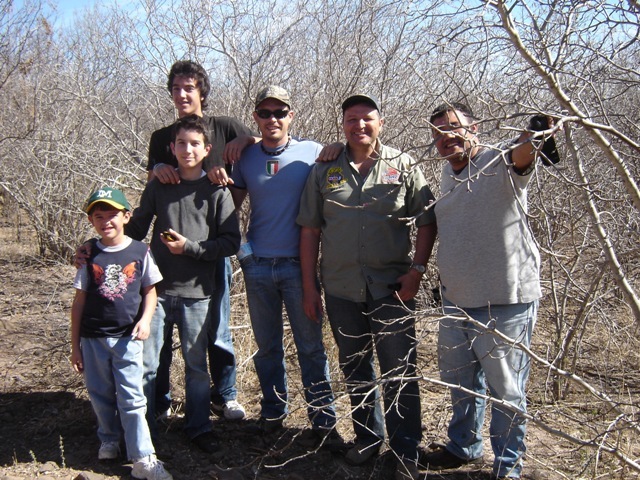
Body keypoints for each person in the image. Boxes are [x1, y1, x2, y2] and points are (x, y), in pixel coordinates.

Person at [297, 94, 437, 480]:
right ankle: (368, 439)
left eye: (367, 119)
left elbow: (427, 220)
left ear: (381, 122)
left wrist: (417, 271)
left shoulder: (403, 165)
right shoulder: (325, 169)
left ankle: (406, 447)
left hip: (393, 288)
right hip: (341, 288)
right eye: (351, 119)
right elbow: (310, 229)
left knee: (399, 369)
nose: (359, 125)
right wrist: (310, 288)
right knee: (355, 366)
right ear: (342, 124)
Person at [422, 102, 549, 479]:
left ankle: (507, 468)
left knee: (507, 392)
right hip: (456, 301)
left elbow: (523, 154)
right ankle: (463, 446)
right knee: (461, 384)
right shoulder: (447, 174)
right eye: (438, 132)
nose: (446, 137)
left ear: (474, 127)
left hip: (505, 301)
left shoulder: (499, 161)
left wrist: (536, 132)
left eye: (453, 127)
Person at [214, 85, 339, 445]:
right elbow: (229, 209)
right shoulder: (246, 158)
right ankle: (273, 413)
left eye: (280, 113)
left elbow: (342, 167)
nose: (273, 119)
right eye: (265, 113)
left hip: (298, 267)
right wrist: (240, 250)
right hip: (258, 267)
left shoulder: (312, 152)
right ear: (255, 116)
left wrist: (339, 148)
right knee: (267, 347)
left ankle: (323, 420)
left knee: (311, 347)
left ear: (291, 116)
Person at [126, 115, 241, 452]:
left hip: (198, 295)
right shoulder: (160, 186)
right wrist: (99, 242)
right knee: (148, 363)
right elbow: (135, 230)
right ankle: (143, 430)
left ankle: (199, 426)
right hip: (157, 294)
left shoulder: (218, 192)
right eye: (181, 144)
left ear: (207, 150)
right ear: (172, 148)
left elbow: (231, 242)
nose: (187, 150)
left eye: (195, 144)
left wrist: (189, 248)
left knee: (195, 365)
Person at [148, 60, 253, 421]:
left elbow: (261, 139)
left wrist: (244, 141)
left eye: (188, 88)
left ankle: (224, 395)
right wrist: (157, 170)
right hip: (169, 257)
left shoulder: (223, 126)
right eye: (176, 88)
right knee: (160, 336)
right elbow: (154, 185)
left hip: (213, 247)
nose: (181, 94)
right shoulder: (162, 138)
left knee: (217, 327)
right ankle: (158, 402)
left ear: (201, 92)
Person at [70, 187, 172, 480]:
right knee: (100, 393)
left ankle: (142, 456)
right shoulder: (89, 254)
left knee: (132, 396)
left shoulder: (140, 251)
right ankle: (109, 438)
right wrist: (75, 346)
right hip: (93, 337)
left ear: (127, 216)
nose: (106, 222)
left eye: (113, 215)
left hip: (128, 337)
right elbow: (78, 303)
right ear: (91, 221)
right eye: (98, 216)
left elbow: (150, 290)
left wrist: (146, 320)